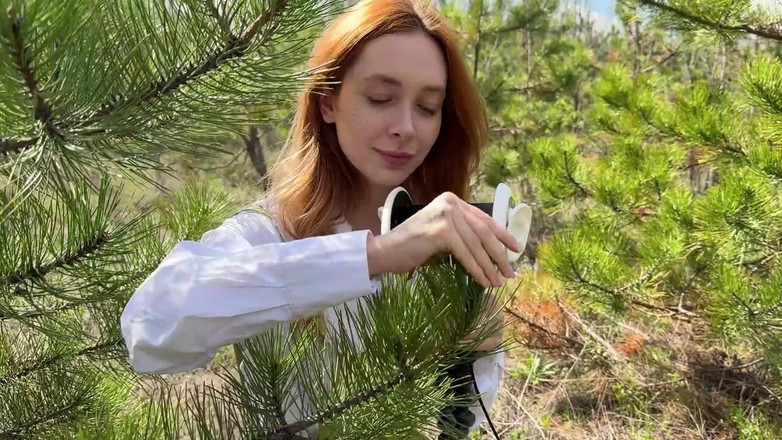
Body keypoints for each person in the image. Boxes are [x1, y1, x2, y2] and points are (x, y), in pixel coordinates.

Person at [120, 0, 521, 437]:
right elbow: (150, 332)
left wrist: (476, 347)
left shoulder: (446, 246)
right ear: (327, 101)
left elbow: (460, 421)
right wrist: (375, 255)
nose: (406, 126)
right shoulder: (270, 231)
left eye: (428, 107)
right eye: (380, 98)